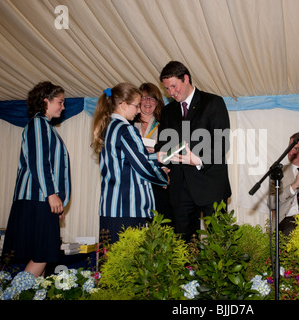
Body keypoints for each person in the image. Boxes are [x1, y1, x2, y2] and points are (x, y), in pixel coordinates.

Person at [155, 61, 231, 242]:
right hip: (180, 191)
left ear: (186, 79)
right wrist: (161, 161)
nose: (171, 92)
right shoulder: (167, 111)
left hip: (211, 187)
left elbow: (222, 143)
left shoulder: (213, 102)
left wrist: (198, 160)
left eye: (173, 86)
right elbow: (163, 144)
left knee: (219, 244)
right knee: (184, 246)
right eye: (167, 89)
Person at [2, 81, 71, 277]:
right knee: (42, 254)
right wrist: (51, 195)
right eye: (60, 101)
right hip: (37, 199)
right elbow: (39, 163)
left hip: (40, 201)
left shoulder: (44, 126)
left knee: (43, 254)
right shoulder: (39, 124)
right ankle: (14, 295)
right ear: (45, 101)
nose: (63, 106)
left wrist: (56, 202)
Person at [91, 82, 168, 244]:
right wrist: (162, 177)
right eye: (136, 106)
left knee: (111, 263)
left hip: (110, 207)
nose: (139, 110)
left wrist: (157, 157)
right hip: (129, 209)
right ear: (124, 105)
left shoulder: (108, 126)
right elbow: (142, 166)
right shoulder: (126, 129)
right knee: (131, 265)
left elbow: (126, 160)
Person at [133, 82, 173, 225]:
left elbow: (172, 152)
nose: (148, 102)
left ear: (158, 102)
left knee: (160, 224)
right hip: (135, 182)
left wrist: (156, 150)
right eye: (144, 98)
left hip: (158, 181)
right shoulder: (129, 124)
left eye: (152, 98)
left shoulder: (165, 124)